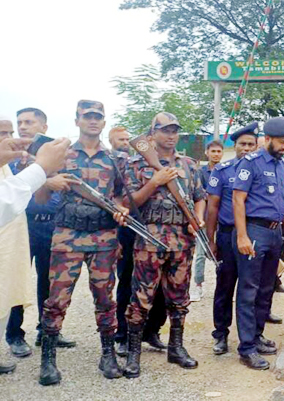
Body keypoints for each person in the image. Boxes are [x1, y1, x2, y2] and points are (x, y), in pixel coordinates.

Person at [37, 100, 129, 385]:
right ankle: (48, 360)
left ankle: (107, 354)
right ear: (77, 120)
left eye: (98, 117)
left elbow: (119, 195)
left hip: (104, 237)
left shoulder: (115, 159)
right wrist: (46, 182)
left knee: (105, 298)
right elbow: (39, 197)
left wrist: (121, 208)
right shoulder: (61, 154)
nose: (93, 121)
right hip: (68, 236)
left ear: (103, 122)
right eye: (87, 116)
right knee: (57, 299)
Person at [123, 112, 206, 378]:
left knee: (179, 297)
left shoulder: (190, 165)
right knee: (142, 298)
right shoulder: (137, 163)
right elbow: (128, 203)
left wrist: (198, 219)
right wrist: (154, 182)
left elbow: (199, 196)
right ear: (153, 134)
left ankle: (176, 347)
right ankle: (133, 353)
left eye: (174, 131)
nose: (171, 135)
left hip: (182, 241)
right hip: (150, 239)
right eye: (165, 130)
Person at [7, 108, 76, 360]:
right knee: (17, 281)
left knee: (50, 283)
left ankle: (46, 331)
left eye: (29, 122)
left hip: (53, 226)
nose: (23, 126)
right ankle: (15, 335)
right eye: (20, 122)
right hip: (23, 225)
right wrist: (45, 181)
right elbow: (12, 188)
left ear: (44, 127)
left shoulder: (58, 158)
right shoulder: (12, 158)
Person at [232, 117, 284, 370]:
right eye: (281, 142)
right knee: (248, 289)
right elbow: (238, 200)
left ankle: (257, 336)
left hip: (274, 232)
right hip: (255, 230)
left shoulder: (282, 165)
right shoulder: (251, 163)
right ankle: (246, 347)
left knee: (266, 288)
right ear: (267, 139)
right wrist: (242, 235)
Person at [109, 126, 167, 357]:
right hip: (132, 230)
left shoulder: (170, 163)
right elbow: (115, 197)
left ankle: (152, 331)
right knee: (128, 284)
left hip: (161, 233)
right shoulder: (127, 164)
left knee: (161, 286)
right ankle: (122, 335)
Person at [205, 123, 259, 355]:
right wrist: (211, 239)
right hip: (227, 236)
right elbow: (212, 207)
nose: (246, 149)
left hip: (254, 236)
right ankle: (221, 334)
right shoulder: (222, 170)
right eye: (242, 144)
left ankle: (253, 336)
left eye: (250, 145)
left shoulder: (260, 168)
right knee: (225, 287)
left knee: (253, 289)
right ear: (234, 146)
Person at [191, 140, 224, 302]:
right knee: (201, 253)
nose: (216, 154)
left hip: (222, 219)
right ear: (207, 152)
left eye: (219, 151)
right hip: (204, 219)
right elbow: (199, 194)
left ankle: (223, 286)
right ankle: (198, 286)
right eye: (213, 151)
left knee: (223, 253)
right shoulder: (200, 172)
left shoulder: (227, 170)